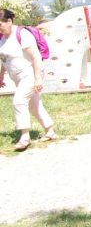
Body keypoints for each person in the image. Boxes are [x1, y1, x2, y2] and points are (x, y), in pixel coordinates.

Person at [0, 8, 57, 151]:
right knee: (34, 106)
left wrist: (37, 79)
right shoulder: (2, 38)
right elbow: (5, 59)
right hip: (18, 77)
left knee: (19, 101)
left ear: (9, 21)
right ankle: (50, 131)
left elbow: (36, 57)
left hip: (30, 74)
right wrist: (1, 76)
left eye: (0, 24)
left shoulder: (22, 34)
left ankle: (25, 137)